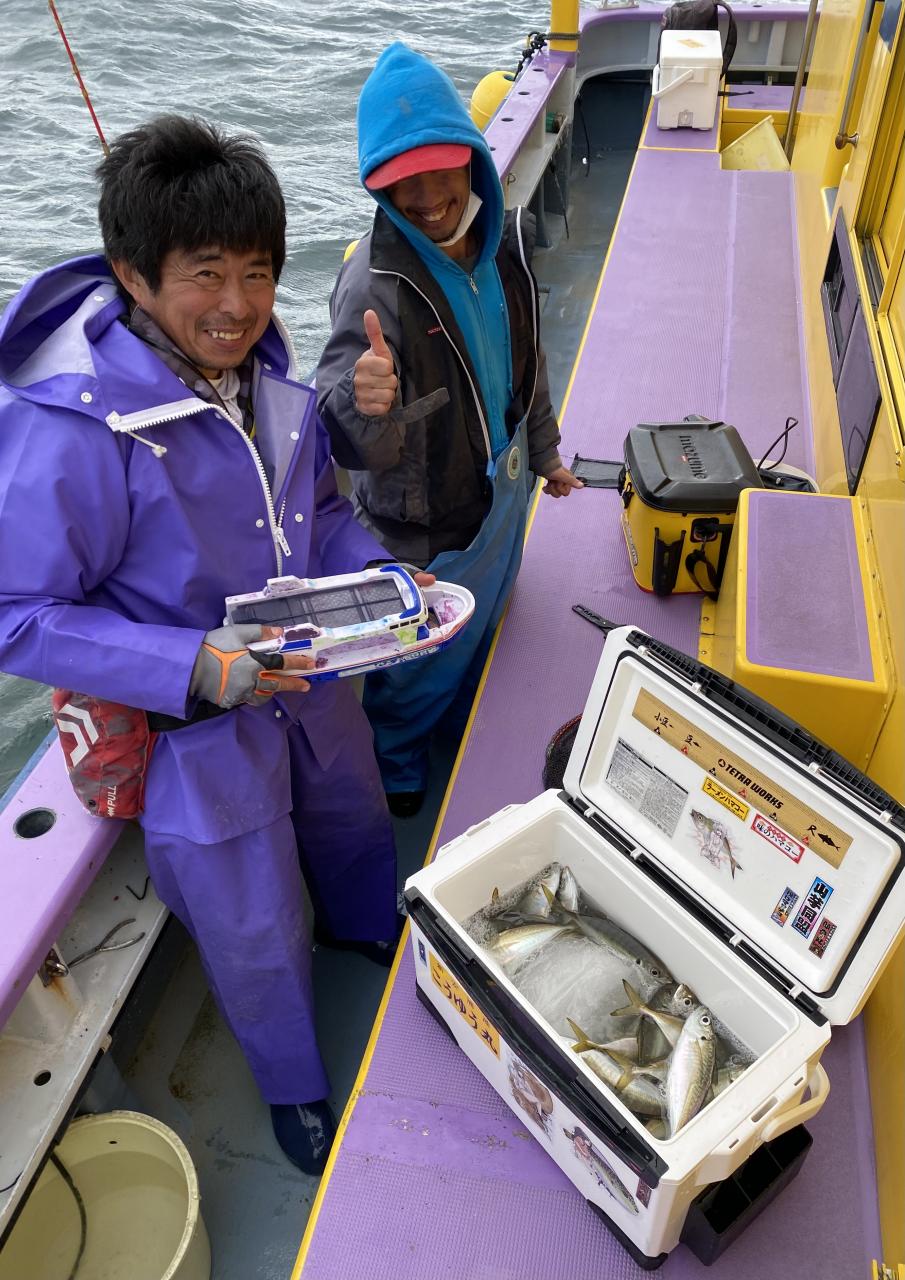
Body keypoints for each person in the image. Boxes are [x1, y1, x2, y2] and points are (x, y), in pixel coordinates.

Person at [0, 116, 430, 1176]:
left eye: (258, 273)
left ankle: (364, 926)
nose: (237, 304)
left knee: (350, 810)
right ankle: (293, 1085)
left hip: (309, 678)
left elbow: (322, 512)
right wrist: (188, 666)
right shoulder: (71, 431)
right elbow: (16, 613)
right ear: (132, 274)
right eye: (205, 274)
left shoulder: (266, 378)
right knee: (251, 920)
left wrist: (381, 576)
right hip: (194, 723)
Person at [316, 43, 581, 818]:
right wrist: (362, 402)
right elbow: (343, 436)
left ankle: (464, 718)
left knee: (484, 622)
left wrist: (545, 453)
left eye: (440, 169)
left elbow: (526, 363)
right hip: (426, 527)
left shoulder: (504, 244)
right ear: (379, 185)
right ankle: (397, 770)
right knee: (414, 666)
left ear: (471, 159)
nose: (427, 197)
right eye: (403, 179)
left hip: (501, 494)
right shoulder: (371, 282)